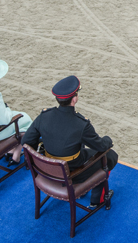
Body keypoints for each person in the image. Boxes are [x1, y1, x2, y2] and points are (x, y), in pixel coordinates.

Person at [21, 75, 117, 207]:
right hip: (71, 173)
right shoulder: (81, 124)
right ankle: (97, 199)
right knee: (110, 156)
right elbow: (100, 146)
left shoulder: (44, 116)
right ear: (75, 98)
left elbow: (26, 142)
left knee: (78, 146)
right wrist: (108, 140)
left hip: (46, 170)